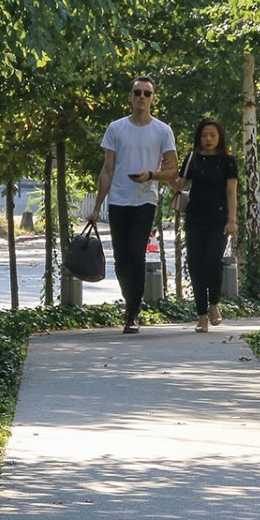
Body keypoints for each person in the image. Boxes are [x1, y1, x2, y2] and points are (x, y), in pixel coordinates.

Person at [91, 76, 178, 332]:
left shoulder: (162, 130)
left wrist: (151, 175)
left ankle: (132, 311)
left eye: (146, 93)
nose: (141, 97)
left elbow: (172, 169)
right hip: (118, 200)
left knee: (136, 254)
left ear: (153, 98)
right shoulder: (116, 129)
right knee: (120, 258)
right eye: (137, 92)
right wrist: (97, 207)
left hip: (145, 200)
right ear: (130, 97)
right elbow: (107, 169)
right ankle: (130, 301)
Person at [176, 117, 239, 332]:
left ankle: (214, 304)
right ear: (198, 137)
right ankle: (201, 315)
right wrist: (160, 173)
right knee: (195, 264)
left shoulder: (228, 161)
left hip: (219, 219)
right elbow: (180, 183)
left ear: (219, 136)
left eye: (212, 135)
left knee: (213, 261)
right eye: (204, 135)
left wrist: (232, 220)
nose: (208, 139)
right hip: (195, 218)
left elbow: (231, 192)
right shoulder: (192, 158)